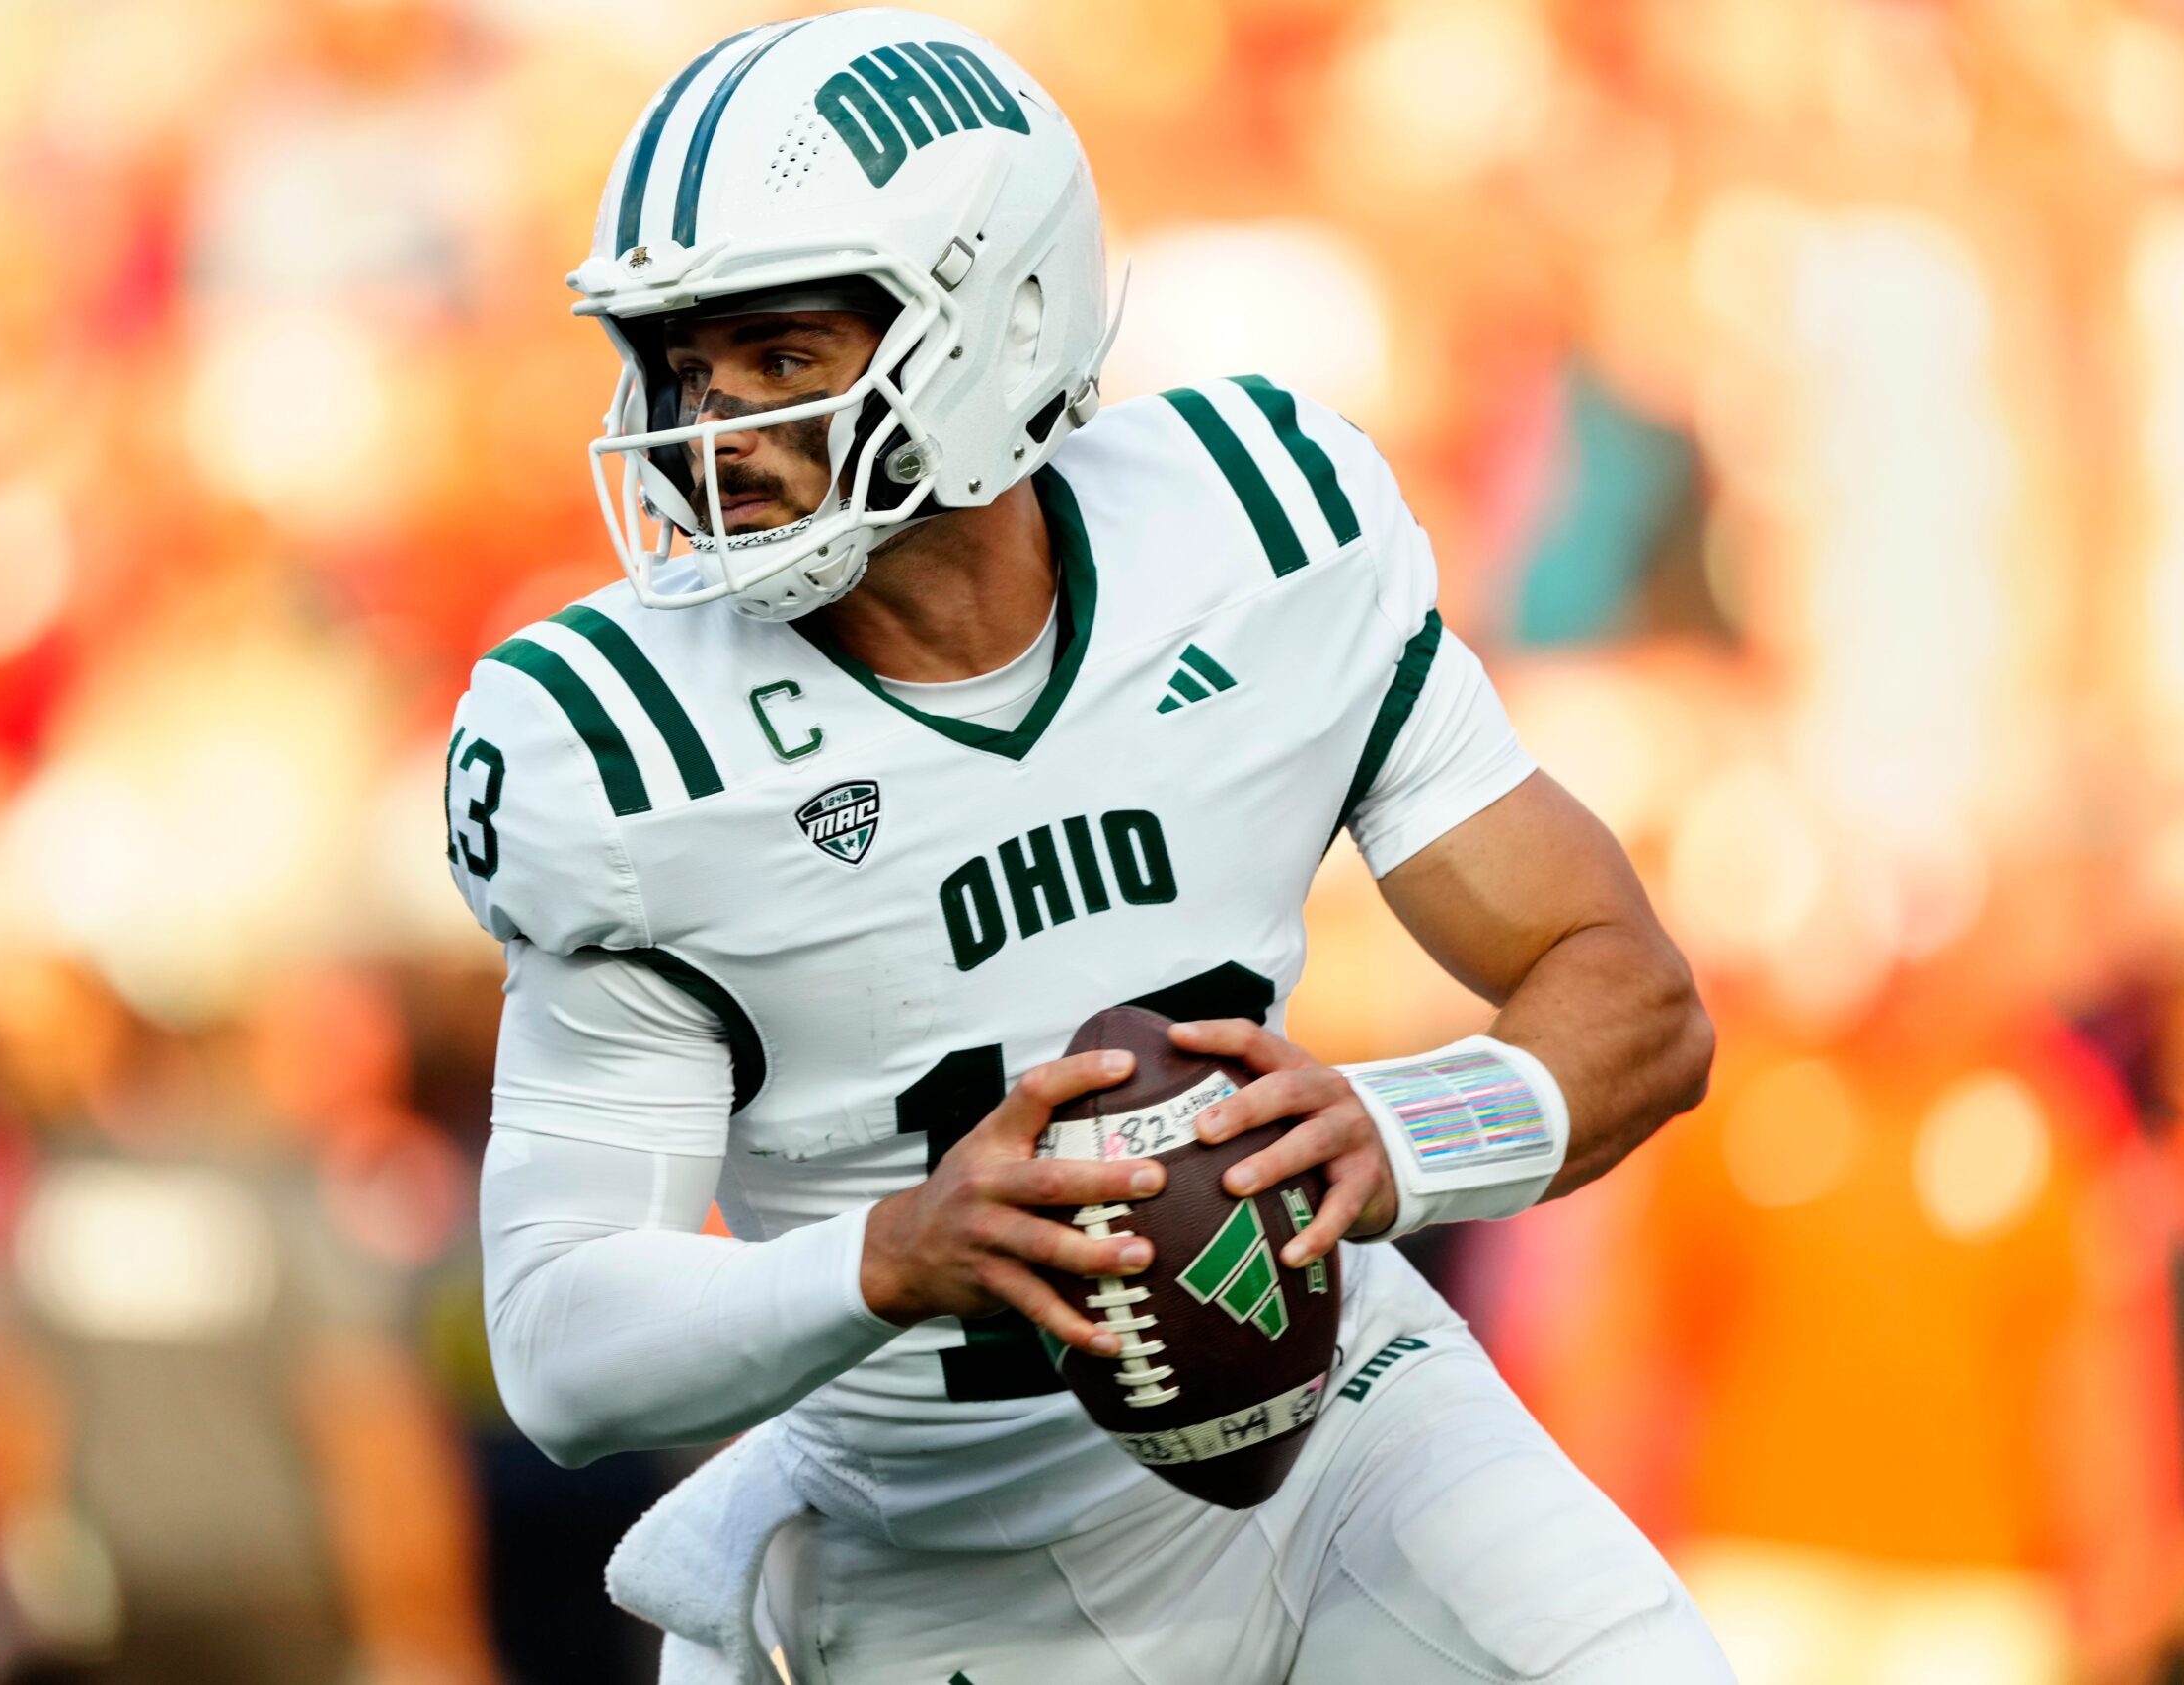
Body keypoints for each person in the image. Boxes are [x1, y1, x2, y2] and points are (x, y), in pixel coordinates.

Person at [448, 10, 1734, 1680]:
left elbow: (1632, 995)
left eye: (779, 359)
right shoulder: (613, 747)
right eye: (681, 366)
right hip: (934, 1557)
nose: (714, 434)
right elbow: (557, 1348)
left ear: (1000, 322)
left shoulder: (1258, 529)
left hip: (1343, 1432)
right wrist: (893, 1256)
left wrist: (1385, 1137)